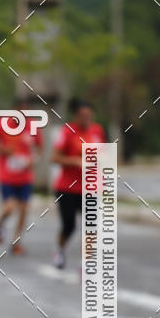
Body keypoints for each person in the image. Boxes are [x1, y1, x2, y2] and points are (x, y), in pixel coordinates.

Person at [52, 98, 106, 269]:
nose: (86, 119)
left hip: (91, 187)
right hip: (67, 187)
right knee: (69, 225)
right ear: (76, 115)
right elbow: (54, 157)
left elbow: (104, 156)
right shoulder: (67, 131)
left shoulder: (97, 131)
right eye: (83, 116)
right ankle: (60, 250)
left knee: (91, 225)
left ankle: (85, 262)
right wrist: (75, 161)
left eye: (89, 116)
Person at [0, 109, 43, 255]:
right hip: (7, 176)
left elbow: (39, 148)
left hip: (25, 177)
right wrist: (2, 150)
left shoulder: (33, 126)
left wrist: (34, 160)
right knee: (10, 207)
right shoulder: (2, 124)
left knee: (24, 209)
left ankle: (16, 241)